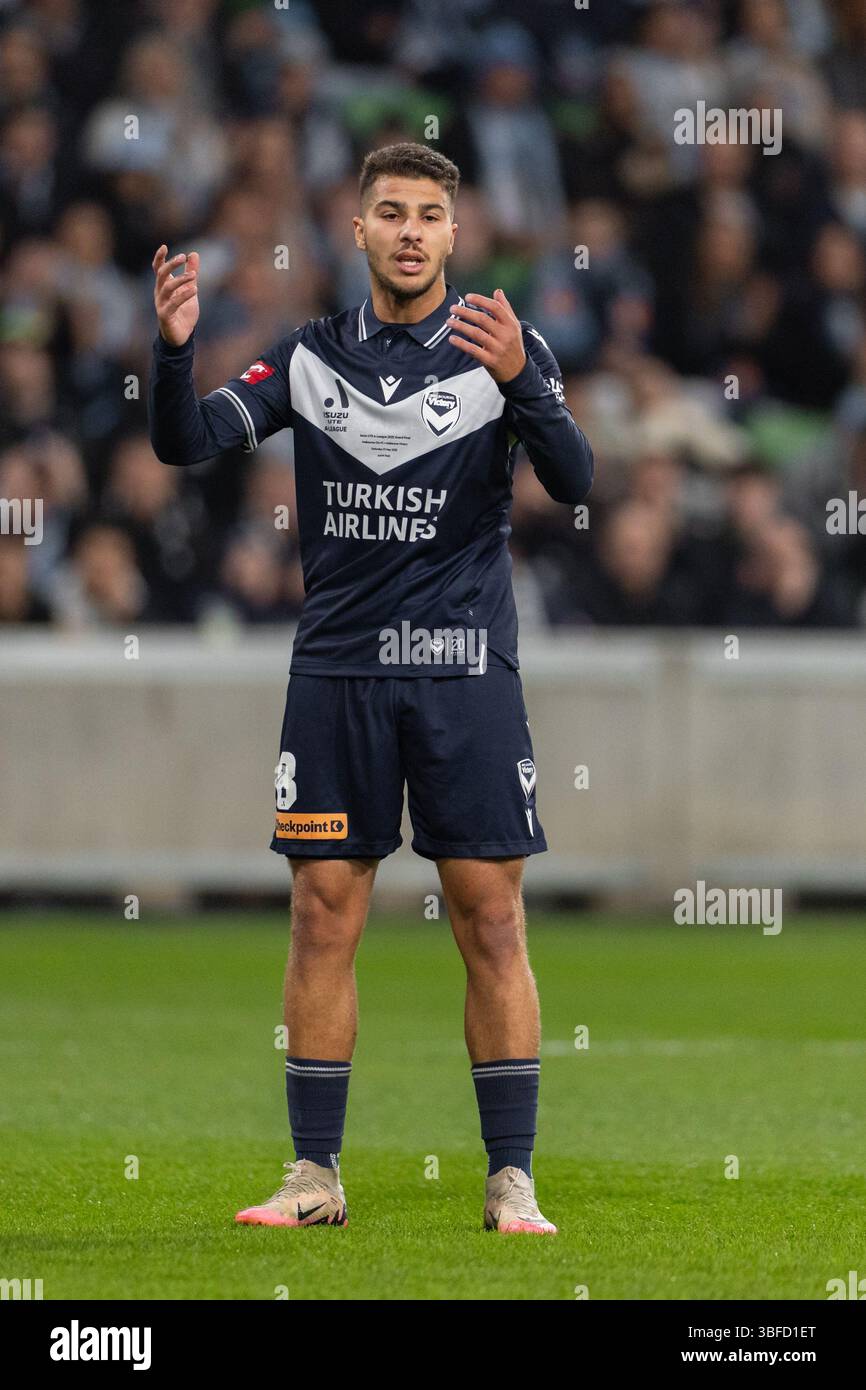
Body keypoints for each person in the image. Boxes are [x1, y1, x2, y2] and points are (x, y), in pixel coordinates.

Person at [148, 141, 593, 1236]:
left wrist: (523, 384)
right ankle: (313, 1177)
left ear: (453, 232)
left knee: (490, 919)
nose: (407, 230)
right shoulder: (308, 357)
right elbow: (182, 440)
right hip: (339, 671)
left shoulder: (503, 346)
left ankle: (510, 1180)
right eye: (388, 211)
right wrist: (170, 354)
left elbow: (578, 481)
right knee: (320, 916)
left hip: (461, 673)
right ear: (354, 231)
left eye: (427, 215)